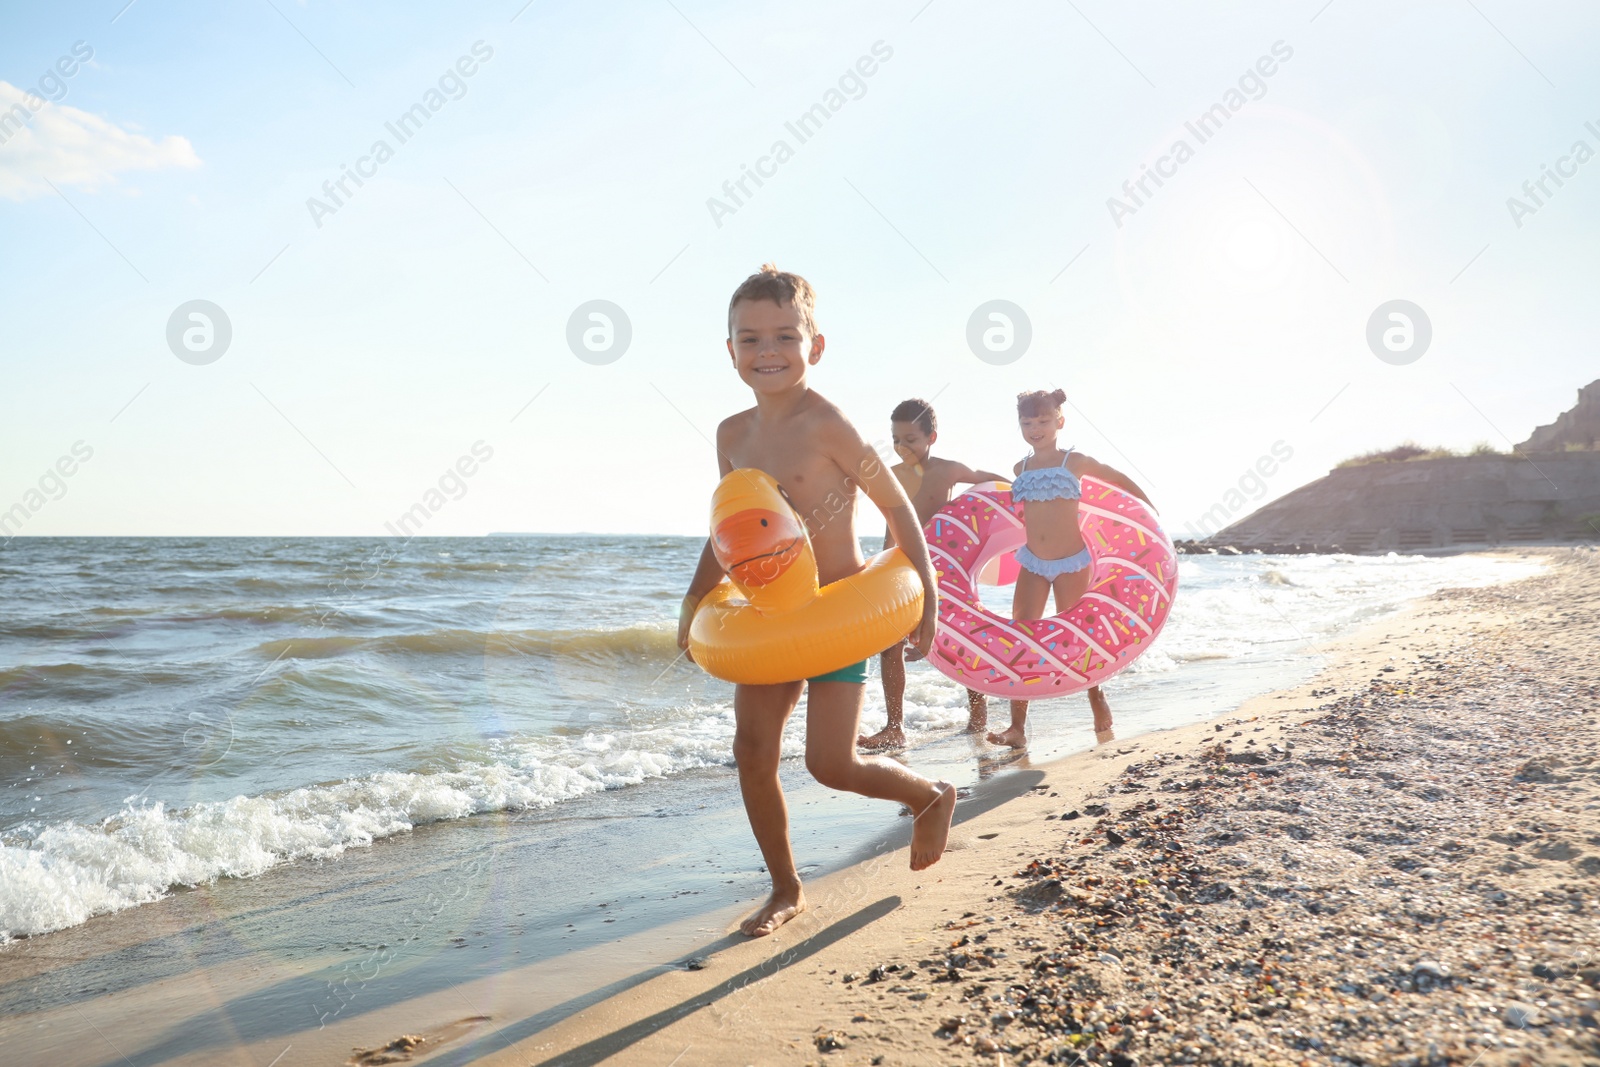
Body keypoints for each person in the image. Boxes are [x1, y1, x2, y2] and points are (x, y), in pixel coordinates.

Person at [675, 265, 957, 938]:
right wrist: (694, 600)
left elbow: (898, 509)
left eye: (784, 336)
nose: (767, 352)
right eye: (750, 339)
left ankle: (929, 794)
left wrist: (929, 599)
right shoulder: (731, 435)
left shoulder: (829, 424)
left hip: (837, 615)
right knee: (752, 750)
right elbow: (734, 529)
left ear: (815, 346)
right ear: (730, 350)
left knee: (831, 763)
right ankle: (785, 887)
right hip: (771, 615)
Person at [986, 388, 1154, 749]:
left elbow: (1116, 477)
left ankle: (1097, 700)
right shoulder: (1021, 468)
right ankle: (1017, 727)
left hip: (1071, 562)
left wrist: (1148, 510)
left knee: (1079, 636)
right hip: (1032, 562)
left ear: (1059, 421)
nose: (1035, 429)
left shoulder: (1073, 462)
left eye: (1043, 421)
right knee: (1021, 635)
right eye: (1027, 422)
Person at [857, 398, 1007, 750]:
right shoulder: (890, 474)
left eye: (910, 439)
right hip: (898, 568)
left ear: (931, 437)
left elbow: (992, 482)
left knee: (961, 638)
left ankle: (978, 715)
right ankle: (894, 727)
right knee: (889, 645)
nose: (901, 446)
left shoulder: (949, 470)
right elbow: (874, 515)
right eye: (896, 439)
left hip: (942, 571)